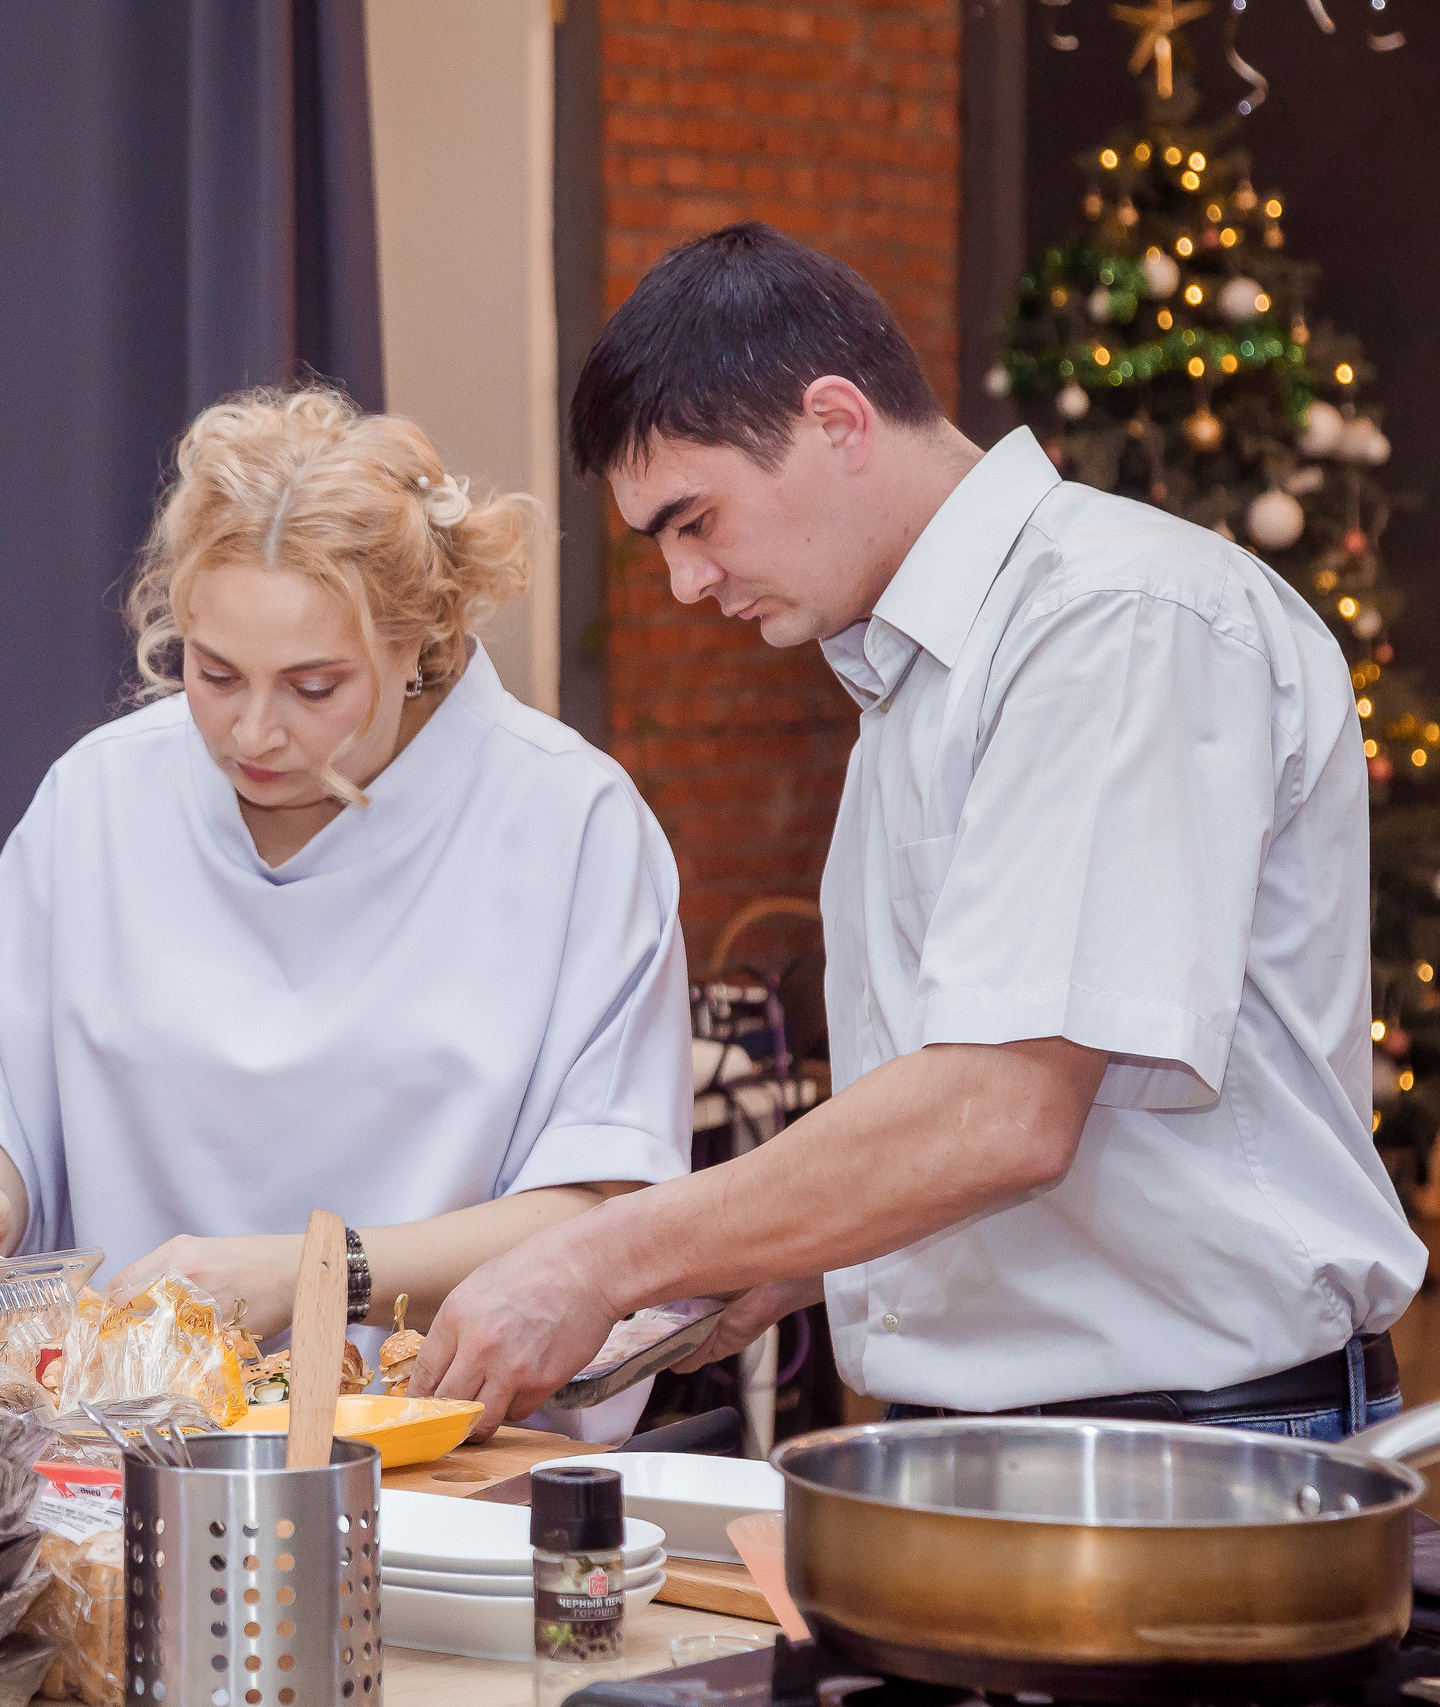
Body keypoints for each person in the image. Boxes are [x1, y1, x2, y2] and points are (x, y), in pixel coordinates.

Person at [412, 222, 1426, 1440]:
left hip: (1193, 1440)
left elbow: (1003, 1113)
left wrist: (597, 1257)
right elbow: (1027, 1124)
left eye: (694, 520)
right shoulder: (914, 674)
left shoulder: (1113, 618)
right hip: (1028, 1432)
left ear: (837, 422)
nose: (687, 583)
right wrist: (782, 1258)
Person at [0, 386, 692, 1411]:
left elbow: (607, 1203)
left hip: (453, 1436)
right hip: (124, 1437)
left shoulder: (567, 820)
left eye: (313, 689)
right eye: (214, 674)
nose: (253, 734)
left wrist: (310, 1273)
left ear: (417, 641)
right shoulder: (99, 796)